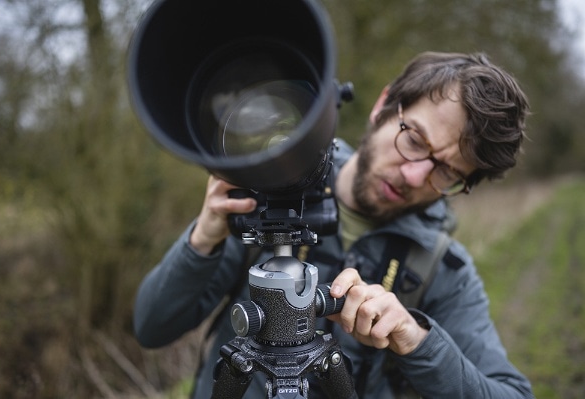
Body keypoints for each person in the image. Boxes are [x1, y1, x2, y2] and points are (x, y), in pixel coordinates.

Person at [133, 52, 534, 398]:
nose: (414, 175)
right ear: (383, 106)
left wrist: (417, 340)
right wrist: (204, 237)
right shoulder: (266, 193)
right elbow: (152, 327)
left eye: (446, 172)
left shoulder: (446, 271)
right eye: (414, 140)